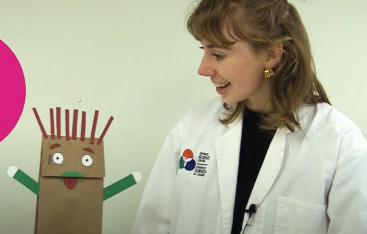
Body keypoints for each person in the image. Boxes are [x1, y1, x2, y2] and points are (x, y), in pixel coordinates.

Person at [130, 0, 367, 233]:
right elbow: (152, 224)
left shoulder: (339, 142)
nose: (202, 69)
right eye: (204, 50)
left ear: (270, 55)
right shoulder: (193, 126)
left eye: (218, 55)